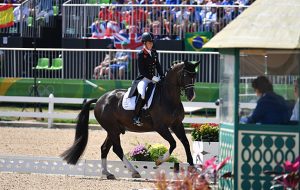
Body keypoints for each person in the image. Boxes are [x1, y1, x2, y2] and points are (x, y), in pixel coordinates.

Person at [128, 32, 164, 126]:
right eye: (149, 42)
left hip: (153, 78)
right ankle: (136, 117)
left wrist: (162, 75)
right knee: (142, 94)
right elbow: (142, 71)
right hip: (143, 79)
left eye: (152, 42)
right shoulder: (141, 54)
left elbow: (158, 65)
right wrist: (153, 78)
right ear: (144, 43)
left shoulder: (154, 52)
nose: (151, 44)